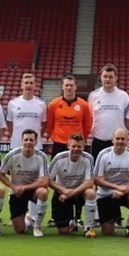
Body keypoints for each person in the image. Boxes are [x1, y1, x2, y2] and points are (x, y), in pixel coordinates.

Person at [46, 74, 92, 227]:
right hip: (59, 144)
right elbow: (50, 124)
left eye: (71, 85)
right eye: (66, 85)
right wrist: (59, 138)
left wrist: (79, 141)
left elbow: (87, 125)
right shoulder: (54, 104)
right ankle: (56, 216)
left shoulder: (84, 105)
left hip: (77, 145)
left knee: (79, 179)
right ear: (62, 86)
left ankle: (78, 216)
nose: (69, 88)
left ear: (76, 87)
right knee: (57, 179)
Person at [0, 129, 49, 237]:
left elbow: (45, 180)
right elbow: (0, 174)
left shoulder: (41, 156)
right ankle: (28, 220)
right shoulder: (12, 155)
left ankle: (37, 226)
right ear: (21, 141)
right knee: (19, 230)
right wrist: (13, 187)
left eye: (31, 140)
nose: (28, 142)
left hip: (33, 189)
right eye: (26, 139)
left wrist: (25, 187)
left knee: (43, 192)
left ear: (36, 142)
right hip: (17, 192)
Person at [94, 128, 129, 237]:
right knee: (107, 232)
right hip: (106, 194)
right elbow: (97, 179)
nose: (120, 141)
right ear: (112, 140)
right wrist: (116, 187)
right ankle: (108, 217)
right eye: (117, 138)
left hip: (126, 192)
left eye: (123, 139)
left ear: (127, 141)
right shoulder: (104, 154)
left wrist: (126, 190)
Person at [48, 133, 97, 237]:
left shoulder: (88, 158)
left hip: (79, 192)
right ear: (68, 146)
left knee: (91, 192)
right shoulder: (59, 158)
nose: (76, 149)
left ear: (84, 147)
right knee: (63, 232)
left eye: (79, 146)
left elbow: (90, 182)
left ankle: (89, 228)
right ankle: (71, 221)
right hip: (62, 193)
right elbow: (47, 180)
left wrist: (72, 192)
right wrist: (63, 190)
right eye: (73, 146)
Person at [88, 63, 129, 159]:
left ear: (116, 78)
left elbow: (127, 119)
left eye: (110, 77)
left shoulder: (124, 96)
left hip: (118, 142)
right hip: (99, 141)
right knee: (98, 173)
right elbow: (90, 117)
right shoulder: (93, 95)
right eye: (105, 76)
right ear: (101, 78)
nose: (107, 79)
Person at [6, 73, 47, 151]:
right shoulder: (12, 103)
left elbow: (44, 125)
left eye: (31, 83)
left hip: (35, 146)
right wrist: (16, 136)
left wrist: (35, 138)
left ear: (35, 85)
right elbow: (9, 123)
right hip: (16, 144)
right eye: (26, 83)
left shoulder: (41, 104)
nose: (28, 85)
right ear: (22, 85)